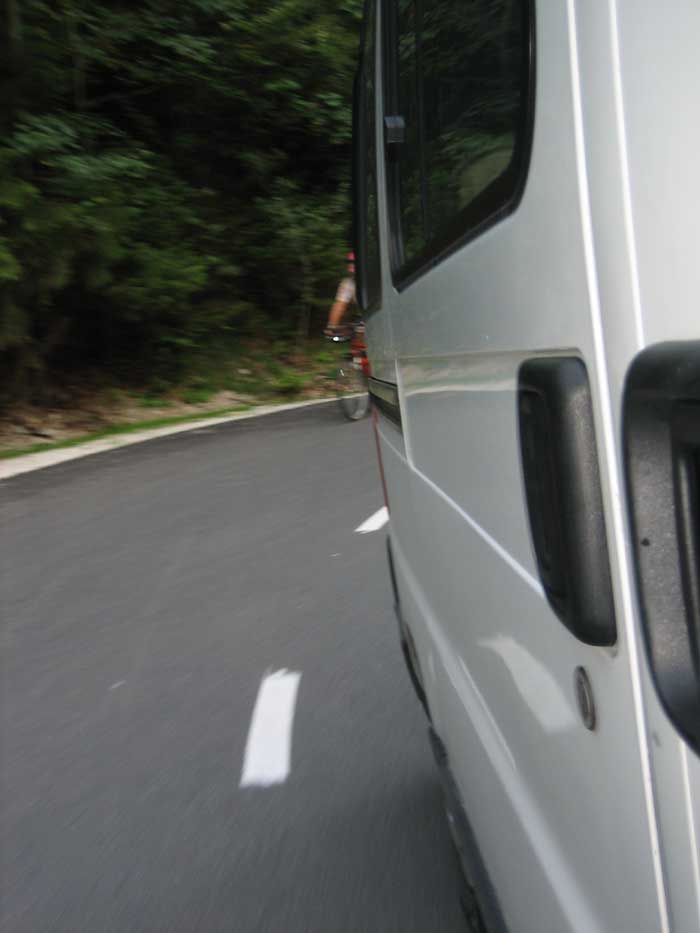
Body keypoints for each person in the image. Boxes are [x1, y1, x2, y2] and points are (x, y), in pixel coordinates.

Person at [324, 252, 356, 336]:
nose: (350, 265)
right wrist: (332, 326)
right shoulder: (348, 283)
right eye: (349, 262)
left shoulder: (376, 277)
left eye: (353, 262)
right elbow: (339, 305)